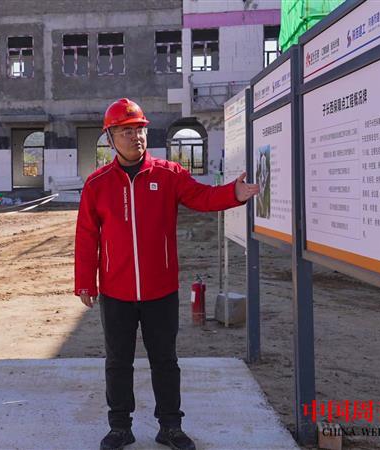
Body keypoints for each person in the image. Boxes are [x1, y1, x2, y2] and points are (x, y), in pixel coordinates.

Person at [74, 98, 259, 450]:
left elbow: (202, 197)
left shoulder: (168, 174)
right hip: (116, 292)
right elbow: (86, 236)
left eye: (140, 130)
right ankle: (120, 427)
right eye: (126, 131)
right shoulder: (98, 183)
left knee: (165, 361)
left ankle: (170, 426)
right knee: (118, 362)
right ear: (110, 138)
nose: (136, 137)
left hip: (160, 290)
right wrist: (85, 281)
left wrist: (234, 193)